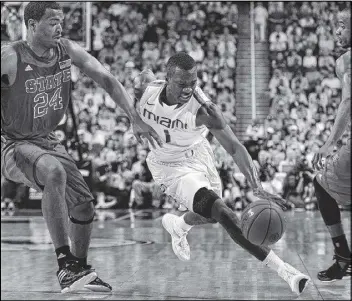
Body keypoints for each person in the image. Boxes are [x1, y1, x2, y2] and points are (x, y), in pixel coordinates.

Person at [1, 2, 161, 293]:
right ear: (32, 25)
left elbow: (107, 79)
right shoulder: (10, 56)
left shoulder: (66, 50)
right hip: (12, 143)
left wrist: (134, 118)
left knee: (85, 206)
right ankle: (65, 264)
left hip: (46, 139)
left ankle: (80, 269)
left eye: (61, 21)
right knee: (54, 173)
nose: (59, 27)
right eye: (52, 22)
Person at [133, 53, 310, 295]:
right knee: (223, 213)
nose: (188, 89)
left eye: (193, 83)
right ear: (167, 79)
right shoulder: (145, 88)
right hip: (168, 166)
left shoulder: (205, 110)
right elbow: (125, 97)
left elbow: (235, 147)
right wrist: (134, 120)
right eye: (182, 84)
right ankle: (287, 271)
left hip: (198, 156)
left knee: (211, 215)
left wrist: (255, 185)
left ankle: (179, 225)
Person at [312, 8, 351, 282]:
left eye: (342, 25)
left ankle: (343, 256)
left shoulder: (346, 61)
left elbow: (348, 102)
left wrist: (329, 143)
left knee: (321, 185)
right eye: (335, 26)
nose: (337, 31)